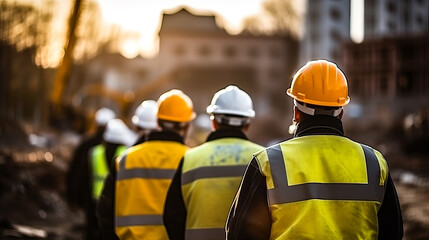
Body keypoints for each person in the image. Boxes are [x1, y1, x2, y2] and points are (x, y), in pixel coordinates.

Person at [226, 60, 403, 240]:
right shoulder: (374, 162)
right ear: (340, 113)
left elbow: (240, 234)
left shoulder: (268, 163)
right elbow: (392, 232)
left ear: (296, 112)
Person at [163, 85, 264, 240]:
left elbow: (172, 216)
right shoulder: (264, 158)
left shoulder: (190, 159)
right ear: (248, 124)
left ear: (214, 122)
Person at [97, 89, 195, 240]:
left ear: (157, 122)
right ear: (187, 126)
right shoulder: (192, 160)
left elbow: (104, 211)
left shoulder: (124, 159)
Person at [66, 107, 115, 240]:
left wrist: (72, 195)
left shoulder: (86, 143)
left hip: (89, 196)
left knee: (91, 230)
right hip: (111, 199)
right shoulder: (118, 147)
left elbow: (75, 171)